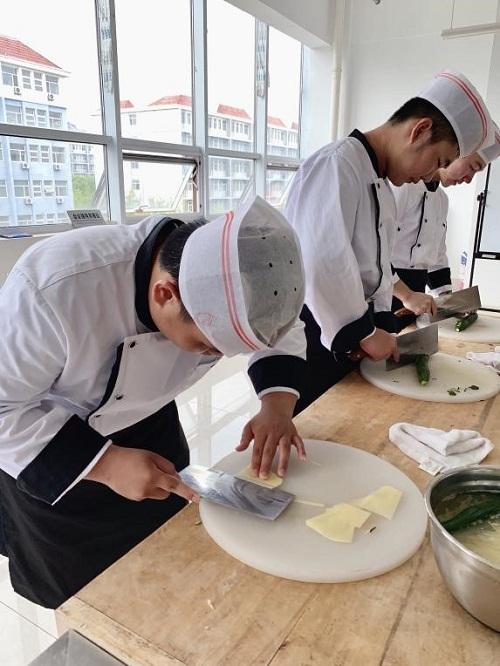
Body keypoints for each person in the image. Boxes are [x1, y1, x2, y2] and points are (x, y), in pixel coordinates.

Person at [0, 195, 307, 608]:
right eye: (205, 346)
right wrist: (104, 463)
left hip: (153, 426)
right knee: (87, 599)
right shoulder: (55, 286)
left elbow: (279, 329)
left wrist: (276, 405)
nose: (213, 358)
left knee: (169, 557)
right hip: (59, 446)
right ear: (166, 294)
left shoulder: (239, 266)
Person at [285, 70, 496, 413]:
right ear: (420, 130)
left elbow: (379, 270)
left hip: (349, 335)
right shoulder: (337, 164)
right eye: (439, 162)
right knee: (316, 432)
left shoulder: (380, 183)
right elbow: (320, 262)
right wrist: (364, 334)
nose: (431, 176)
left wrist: (380, 326)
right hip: (314, 335)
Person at [390, 127, 500, 328]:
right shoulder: (401, 187)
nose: (469, 179)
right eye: (472, 167)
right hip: (386, 291)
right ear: (454, 154)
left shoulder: (442, 200)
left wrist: (449, 301)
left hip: (416, 295)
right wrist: (406, 295)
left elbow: (437, 256)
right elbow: (373, 255)